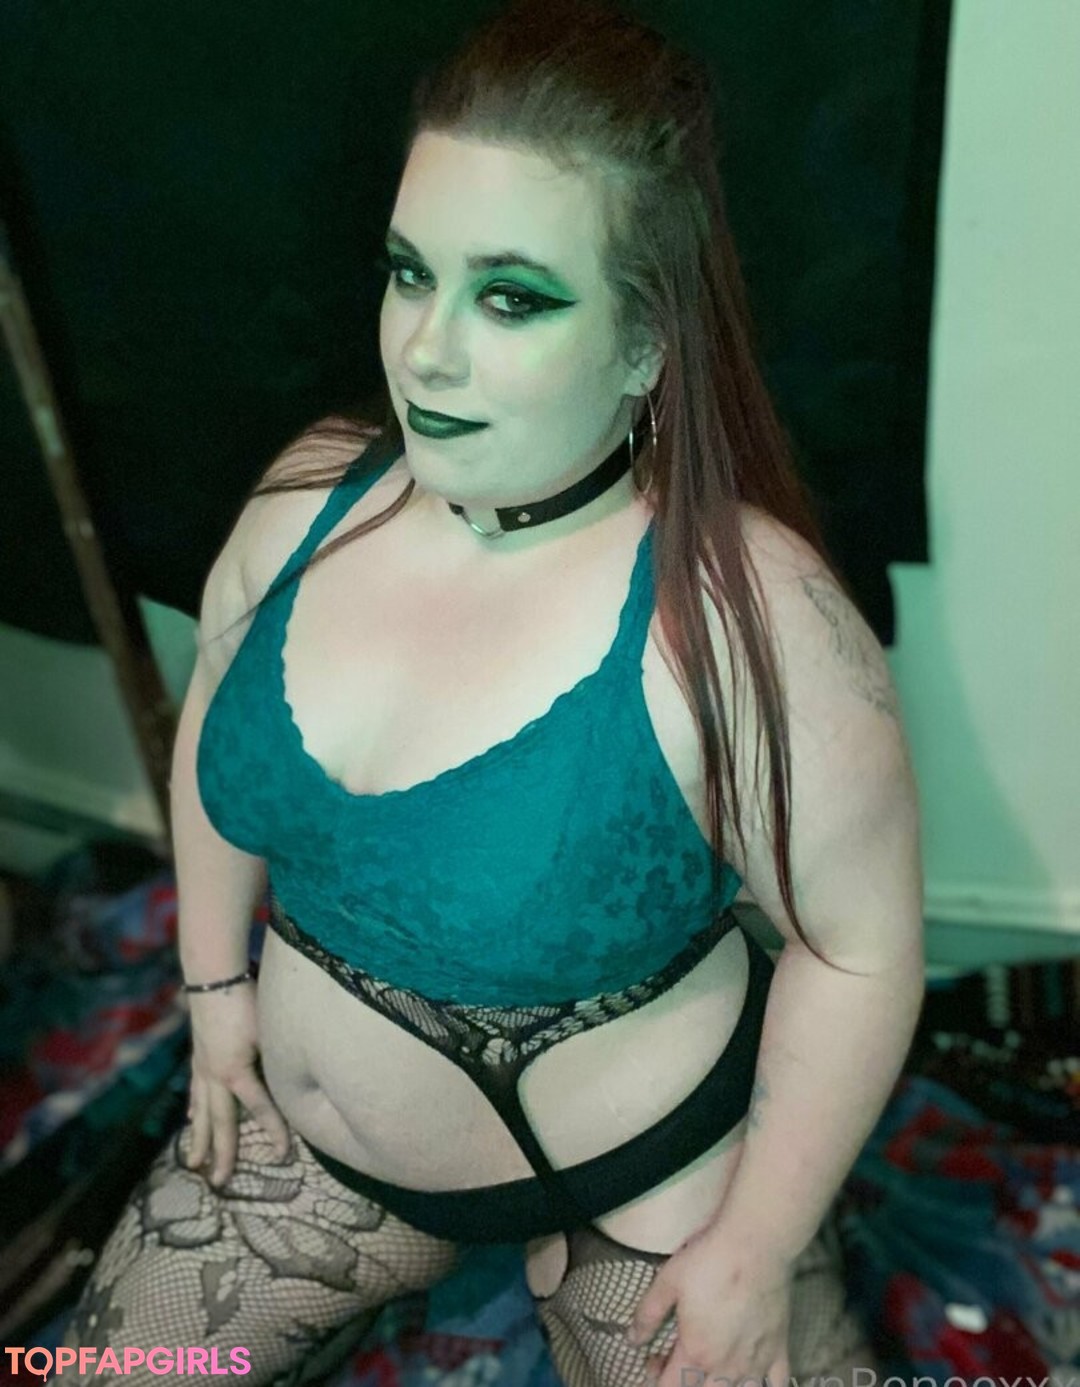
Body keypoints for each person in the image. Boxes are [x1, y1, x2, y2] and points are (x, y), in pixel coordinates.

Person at [62, 1, 925, 1384]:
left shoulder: (750, 616)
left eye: (512, 297)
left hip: (650, 1182)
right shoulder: (305, 504)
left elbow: (862, 948)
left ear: (646, 343)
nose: (427, 351)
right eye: (412, 275)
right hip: (319, 1156)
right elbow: (216, 735)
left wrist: (757, 1248)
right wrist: (215, 991)